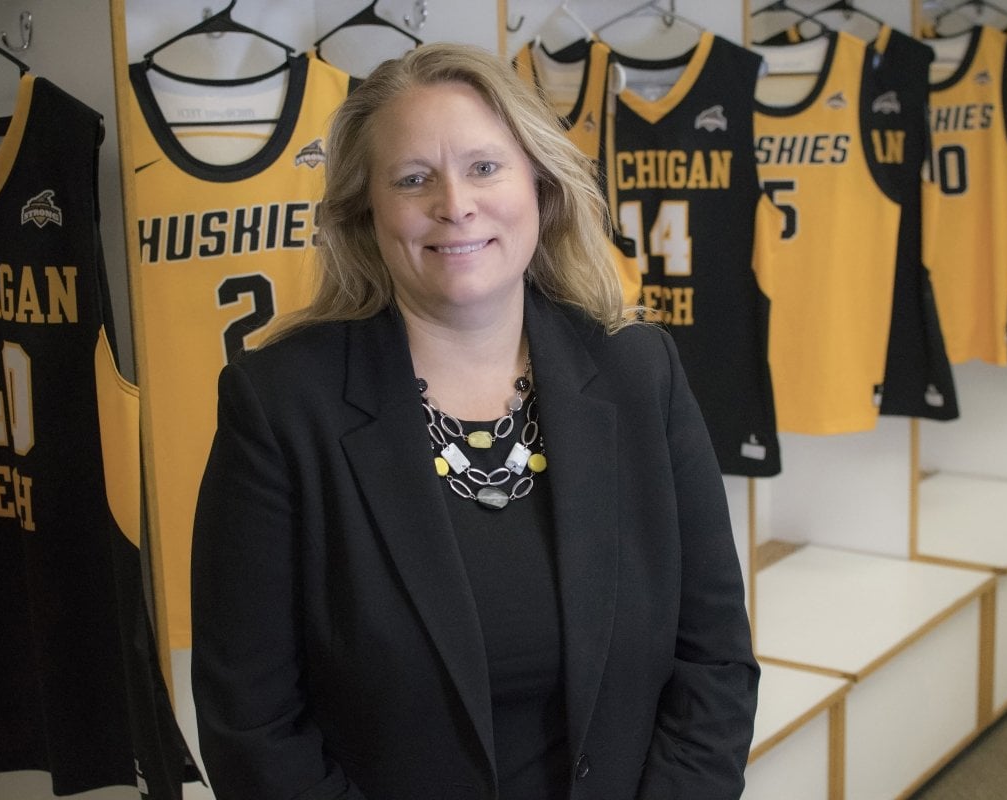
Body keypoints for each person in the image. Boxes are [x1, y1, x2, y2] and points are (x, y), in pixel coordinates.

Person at [190, 42, 759, 800]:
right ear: (366, 212)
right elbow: (253, 727)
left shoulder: (639, 374)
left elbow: (715, 661)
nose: (454, 204)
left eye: (485, 167)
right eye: (413, 178)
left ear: (542, 186)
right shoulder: (280, 407)